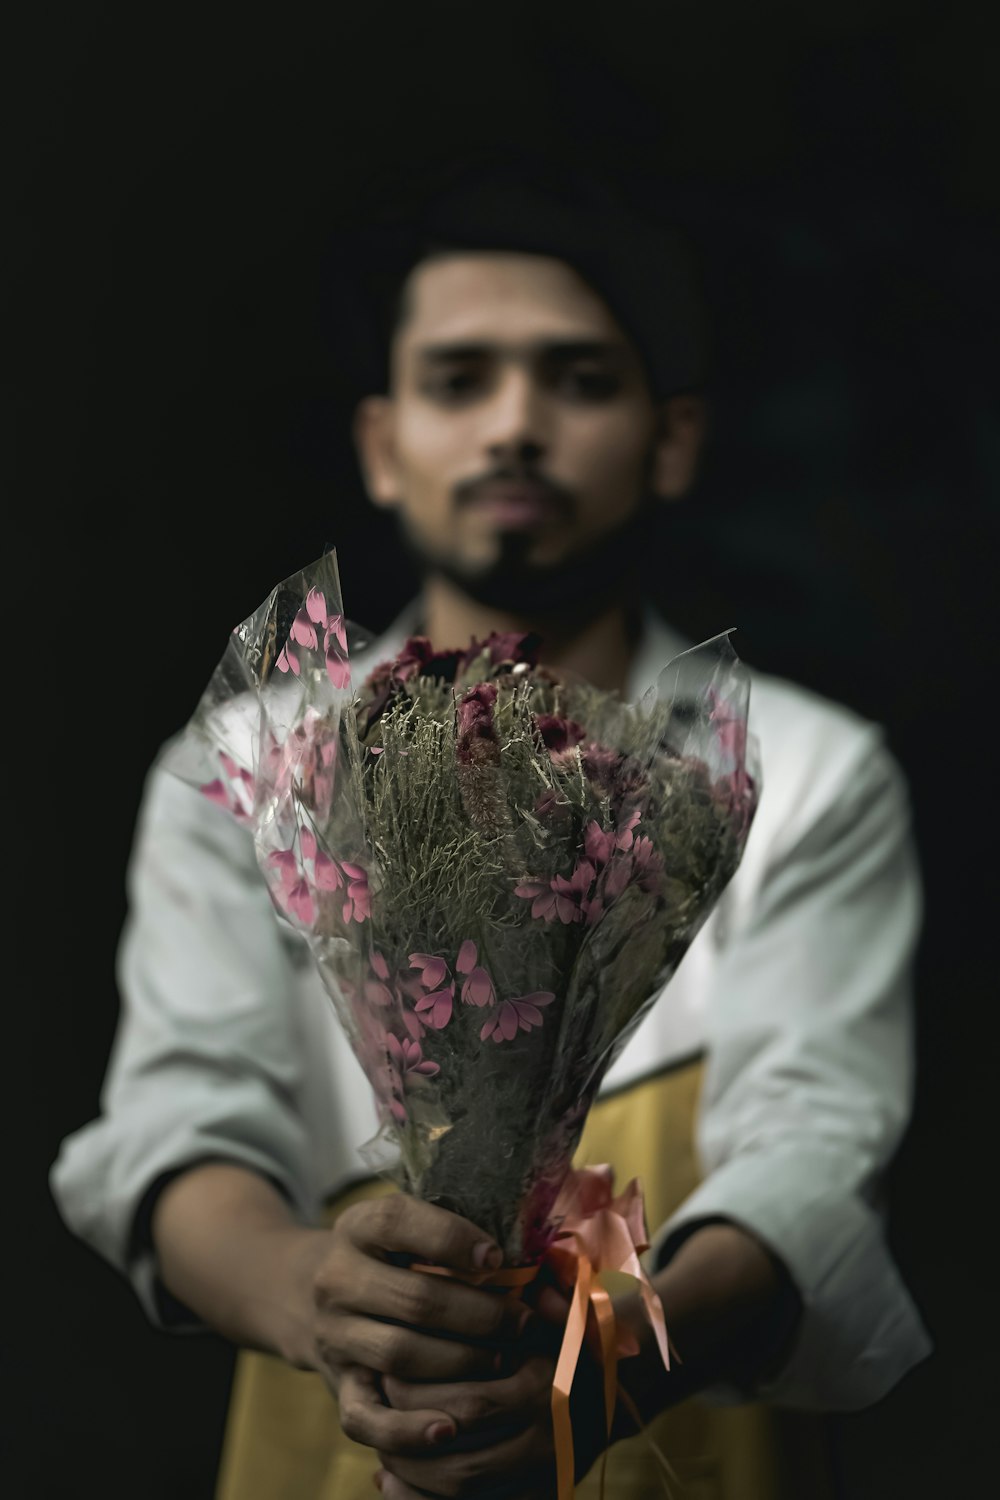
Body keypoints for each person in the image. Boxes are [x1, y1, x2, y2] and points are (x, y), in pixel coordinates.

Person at [50, 148, 932, 1500]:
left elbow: (819, 1141)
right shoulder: (248, 767)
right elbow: (178, 1116)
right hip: (339, 1438)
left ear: (673, 439)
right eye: (459, 381)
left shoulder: (804, 772)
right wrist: (307, 1293)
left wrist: (635, 1352)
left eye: (579, 379)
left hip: (680, 1433)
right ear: (382, 446)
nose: (515, 424)